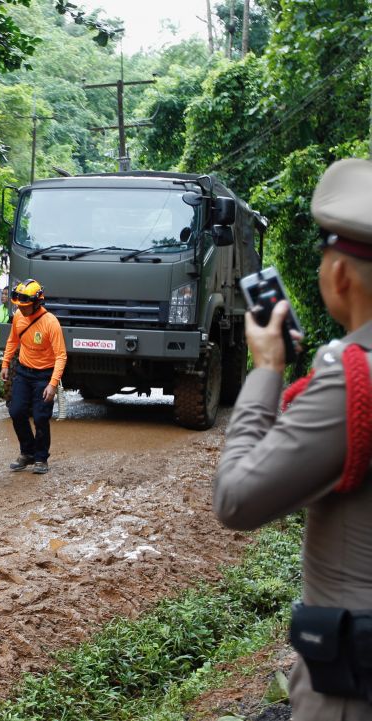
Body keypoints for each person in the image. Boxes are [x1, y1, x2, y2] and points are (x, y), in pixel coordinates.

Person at [213, 158, 372, 719]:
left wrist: (266, 369)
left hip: (351, 691)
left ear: (340, 275)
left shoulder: (353, 382)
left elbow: (236, 498)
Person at [2, 278, 67, 474]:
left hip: (44, 376)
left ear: (37, 303)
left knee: (40, 417)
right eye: (19, 306)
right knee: (16, 412)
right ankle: (27, 452)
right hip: (23, 372)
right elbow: (12, 341)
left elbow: (61, 356)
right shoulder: (18, 317)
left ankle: (41, 458)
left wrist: (52, 384)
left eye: (25, 306)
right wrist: (5, 363)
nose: (21, 309)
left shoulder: (50, 322)